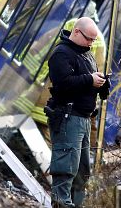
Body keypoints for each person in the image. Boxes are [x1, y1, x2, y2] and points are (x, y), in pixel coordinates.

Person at [45, 17, 109, 207]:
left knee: (82, 172)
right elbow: (63, 84)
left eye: (93, 40)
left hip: (84, 118)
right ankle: (61, 204)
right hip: (67, 117)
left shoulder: (87, 55)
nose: (90, 43)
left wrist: (102, 84)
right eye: (88, 39)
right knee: (65, 169)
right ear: (76, 32)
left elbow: (88, 82)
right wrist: (90, 80)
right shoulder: (61, 54)